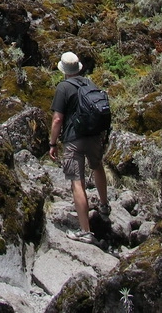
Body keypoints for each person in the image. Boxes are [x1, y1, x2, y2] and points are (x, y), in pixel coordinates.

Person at [49, 51, 111, 244]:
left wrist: (52, 142)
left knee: (77, 182)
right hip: (94, 136)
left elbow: (58, 118)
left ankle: (85, 230)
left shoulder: (63, 87)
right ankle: (104, 205)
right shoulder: (89, 83)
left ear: (64, 70)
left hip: (73, 139)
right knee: (97, 166)